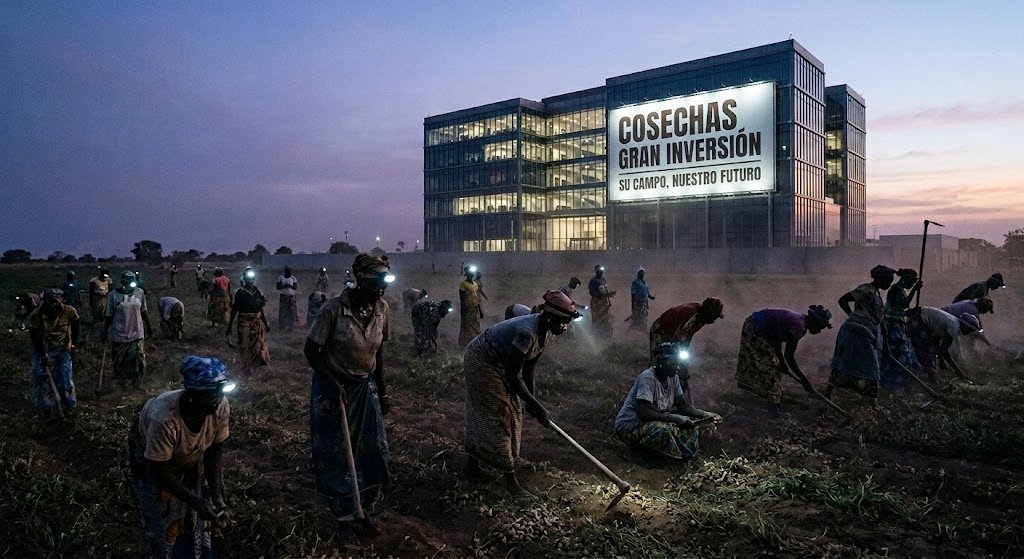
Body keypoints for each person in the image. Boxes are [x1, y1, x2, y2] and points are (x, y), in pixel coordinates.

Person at [304, 254, 394, 545]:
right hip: (332, 387)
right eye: (378, 281)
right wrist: (331, 383)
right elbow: (311, 351)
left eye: (385, 281)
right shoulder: (332, 310)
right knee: (336, 451)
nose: (382, 288)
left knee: (373, 447)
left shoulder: (382, 310)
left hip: (363, 385)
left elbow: (379, 353)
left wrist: (382, 392)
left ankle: (364, 507)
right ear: (361, 279)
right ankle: (343, 516)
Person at [462, 290, 578, 495]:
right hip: (482, 361)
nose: (564, 327)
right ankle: (510, 481)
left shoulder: (543, 331)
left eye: (567, 322)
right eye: (562, 322)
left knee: (515, 411)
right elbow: (512, 376)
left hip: (500, 362)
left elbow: (529, 368)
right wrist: (537, 407)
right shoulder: (527, 332)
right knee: (499, 415)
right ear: (549, 316)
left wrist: (530, 401)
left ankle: (473, 466)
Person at [129, 355, 232, 558]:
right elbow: (160, 470)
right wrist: (195, 500)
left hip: (189, 452)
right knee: (162, 512)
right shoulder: (164, 419)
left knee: (198, 511)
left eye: (220, 392)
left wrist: (217, 497)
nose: (217, 399)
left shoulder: (219, 406)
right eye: (210, 394)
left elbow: (214, 453)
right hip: (154, 459)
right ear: (192, 393)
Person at [615, 342, 721, 464]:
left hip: (653, 420)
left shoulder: (673, 377)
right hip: (630, 426)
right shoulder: (648, 378)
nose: (677, 368)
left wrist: (705, 415)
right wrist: (673, 418)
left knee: (689, 425)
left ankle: (685, 457)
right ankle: (640, 452)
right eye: (672, 364)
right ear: (660, 362)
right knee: (661, 429)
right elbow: (643, 412)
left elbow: (683, 405)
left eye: (677, 364)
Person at [735, 305, 833, 414]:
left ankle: (748, 393)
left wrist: (783, 363)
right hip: (754, 327)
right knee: (771, 369)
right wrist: (804, 380)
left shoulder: (801, 322)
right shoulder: (799, 327)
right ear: (813, 320)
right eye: (820, 327)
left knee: (761, 363)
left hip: (756, 325)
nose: (819, 331)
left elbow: (777, 340)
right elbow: (789, 356)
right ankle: (772, 407)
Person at [824, 265, 895, 405]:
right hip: (854, 332)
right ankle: (870, 403)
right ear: (880, 279)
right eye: (888, 280)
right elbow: (843, 300)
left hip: (867, 334)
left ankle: (869, 401)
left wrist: (886, 343)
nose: (890, 283)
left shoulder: (876, 294)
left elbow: (880, 322)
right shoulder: (866, 289)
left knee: (862, 364)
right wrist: (853, 317)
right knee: (852, 363)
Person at [27, 289, 80, 420]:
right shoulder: (36, 315)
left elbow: (77, 326)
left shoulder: (69, 311)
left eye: (57, 301)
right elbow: (35, 338)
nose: (53, 305)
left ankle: (69, 407)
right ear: (45, 302)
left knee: (65, 378)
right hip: (44, 348)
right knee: (42, 378)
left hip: (63, 348)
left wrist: (73, 345)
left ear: (61, 300)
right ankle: (47, 409)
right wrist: (42, 355)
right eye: (50, 302)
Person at [103, 271, 152, 389]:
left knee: (138, 359)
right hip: (119, 333)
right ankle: (122, 383)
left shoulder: (139, 292)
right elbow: (109, 316)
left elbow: (143, 311)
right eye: (127, 281)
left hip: (136, 331)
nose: (130, 284)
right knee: (120, 361)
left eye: (132, 281)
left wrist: (149, 327)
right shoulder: (113, 295)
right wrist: (104, 331)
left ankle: (136, 382)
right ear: (123, 282)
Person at [908, 307, 981, 381]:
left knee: (929, 352)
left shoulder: (953, 322)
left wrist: (941, 360)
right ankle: (931, 381)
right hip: (918, 321)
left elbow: (935, 342)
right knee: (928, 354)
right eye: (970, 329)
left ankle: (924, 376)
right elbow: (944, 351)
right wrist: (958, 370)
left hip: (919, 318)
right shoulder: (954, 327)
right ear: (965, 325)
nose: (969, 332)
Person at [880, 268, 923, 390]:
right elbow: (904, 304)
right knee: (901, 356)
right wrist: (915, 290)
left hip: (899, 326)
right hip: (892, 326)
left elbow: (903, 307)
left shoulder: (900, 290)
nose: (912, 284)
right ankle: (894, 386)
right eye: (912, 282)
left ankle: (900, 385)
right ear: (905, 279)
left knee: (905, 355)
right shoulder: (895, 289)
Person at [649, 298, 725, 361]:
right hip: (661, 329)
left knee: (675, 359)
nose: (714, 320)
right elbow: (678, 335)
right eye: (714, 316)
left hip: (672, 332)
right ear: (708, 311)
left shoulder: (702, 319)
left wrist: (685, 348)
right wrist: (678, 350)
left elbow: (690, 333)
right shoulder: (690, 313)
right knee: (658, 359)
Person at [227, 267, 271, 375]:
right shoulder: (240, 293)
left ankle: (253, 365)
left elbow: (261, 309)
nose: (251, 281)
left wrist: (266, 323)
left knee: (257, 344)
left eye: (252, 279)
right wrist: (230, 326)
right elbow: (235, 309)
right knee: (244, 344)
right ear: (245, 279)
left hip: (256, 321)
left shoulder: (258, 292)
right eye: (248, 278)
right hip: (244, 321)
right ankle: (246, 364)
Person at [588, 265, 616, 337]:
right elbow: (591, 292)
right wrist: (599, 295)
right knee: (597, 319)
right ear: (596, 271)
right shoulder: (593, 281)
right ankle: (596, 335)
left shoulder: (603, 280)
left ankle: (606, 335)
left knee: (606, 319)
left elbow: (605, 290)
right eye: (599, 271)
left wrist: (609, 294)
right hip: (597, 302)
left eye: (602, 271)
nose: (601, 272)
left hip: (604, 302)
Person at [459, 266, 483, 346]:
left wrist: (480, 310)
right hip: (467, 307)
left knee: (476, 324)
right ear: (467, 274)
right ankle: (465, 343)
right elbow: (462, 298)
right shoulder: (463, 284)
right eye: (470, 273)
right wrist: (463, 308)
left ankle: (474, 341)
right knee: (467, 326)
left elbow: (476, 297)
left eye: (472, 274)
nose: (471, 275)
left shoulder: (475, 284)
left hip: (475, 308)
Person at [627, 267, 655, 332]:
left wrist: (651, 297)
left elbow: (647, 293)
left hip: (645, 303)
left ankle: (635, 331)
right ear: (637, 274)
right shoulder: (635, 283)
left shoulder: (645, 283)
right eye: (640, 273)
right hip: (638, 302)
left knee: (643, 316)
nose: (642, 275)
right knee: (638, 317)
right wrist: (633, 305)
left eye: (643, 273)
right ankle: (641, 331)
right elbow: (633, 294)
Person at [277, 266, 300, 331]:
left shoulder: (293, 278)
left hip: (291, 297)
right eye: (287, 271)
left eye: (289, 271)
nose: (288, 273)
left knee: (291, 312)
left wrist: (289, 285)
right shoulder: (281, 278)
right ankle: (282, 327)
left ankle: (291, 326)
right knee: (283, 312)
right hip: (283, 296)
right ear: (285, 272)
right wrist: (284, 285)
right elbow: (278, 287)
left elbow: (295, 287)